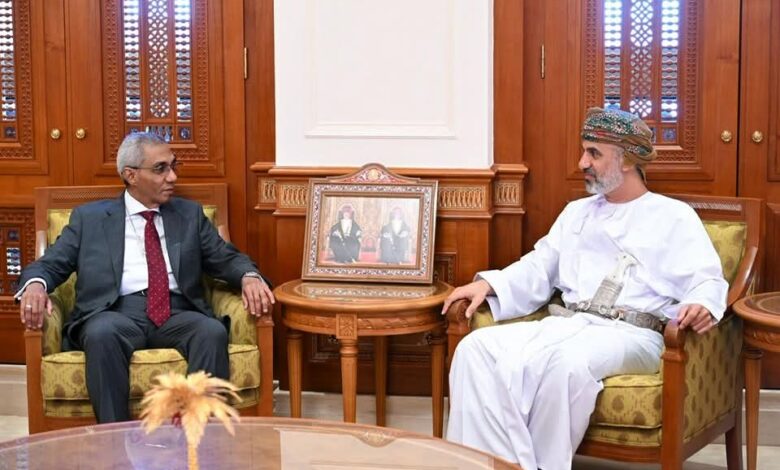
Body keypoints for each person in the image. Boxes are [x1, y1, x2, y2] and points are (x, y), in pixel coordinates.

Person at [441, 108, 728, 470]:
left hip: (633, 333)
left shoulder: (673, 216)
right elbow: (540, 265)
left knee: (565, 364)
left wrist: (701, 303)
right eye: (584, 151)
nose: (582, 163)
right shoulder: (576, 212)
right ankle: (498, 465)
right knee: (475, 349)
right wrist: (489, 285)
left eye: (594, 153)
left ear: (628, 160)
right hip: (569, 324)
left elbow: (706, 278)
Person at [16, 132, 275, 423]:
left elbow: (225, 257)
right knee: (101, 334)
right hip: (115, 312)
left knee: (211, 332)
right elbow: (50, 263)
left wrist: (249, 277)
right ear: (131, 175)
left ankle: (197, 436)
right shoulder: (90, 219)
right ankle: (114, 439)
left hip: (177, 311)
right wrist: (36, 285)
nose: (172, 176)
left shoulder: (189, 215)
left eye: (173, 166)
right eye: (160, 169)